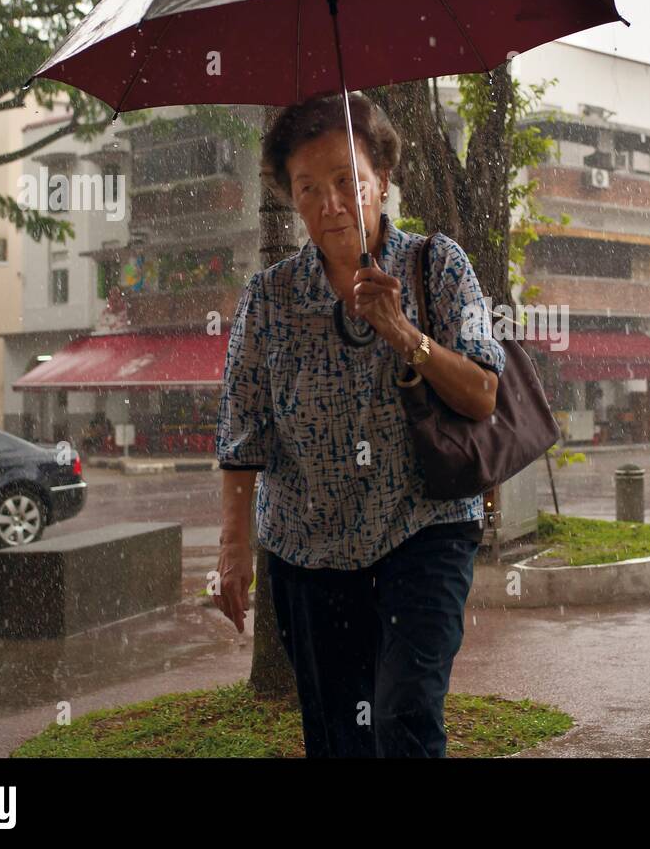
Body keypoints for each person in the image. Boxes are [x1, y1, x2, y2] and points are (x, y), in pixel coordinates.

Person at [213, 92, 504, 758]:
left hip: (422, 526)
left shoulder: (437, 264)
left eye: (348, 181)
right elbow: (243, 433)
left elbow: (485, 393)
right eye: (308, 188)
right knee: (340, 736)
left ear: (382, 179)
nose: (331, 203)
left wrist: (403, 334)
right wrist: (233, 550)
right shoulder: (269, 298)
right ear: (290, 198)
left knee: (404, 715)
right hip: (309, 547)